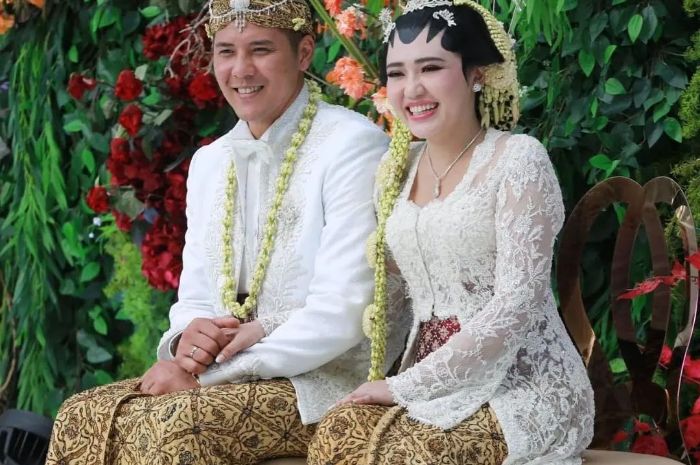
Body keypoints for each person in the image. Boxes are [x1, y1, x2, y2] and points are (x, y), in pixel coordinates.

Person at [45, 0, 402, 463]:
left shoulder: (351, 144)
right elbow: (194, 299)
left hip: (323, 379)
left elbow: (345, 311)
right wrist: (185, 342)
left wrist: (206, 377)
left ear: (304, 53)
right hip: (225, 372)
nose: (241, 70)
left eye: (260, 50)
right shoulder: (210, 162)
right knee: (80, 413)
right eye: (226, 52)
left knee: (173, 425)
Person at [307, 1, 595, 464]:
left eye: (431, 68)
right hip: (422, 383)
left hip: (520, 387)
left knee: (407, 457)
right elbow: (389, 299)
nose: (412, 89)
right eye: (397, 74)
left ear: (476, 74)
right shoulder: (395, 172)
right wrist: (343, 373)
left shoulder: (518, 160)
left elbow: (515, 305)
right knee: (337, 435)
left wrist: (403, 386)